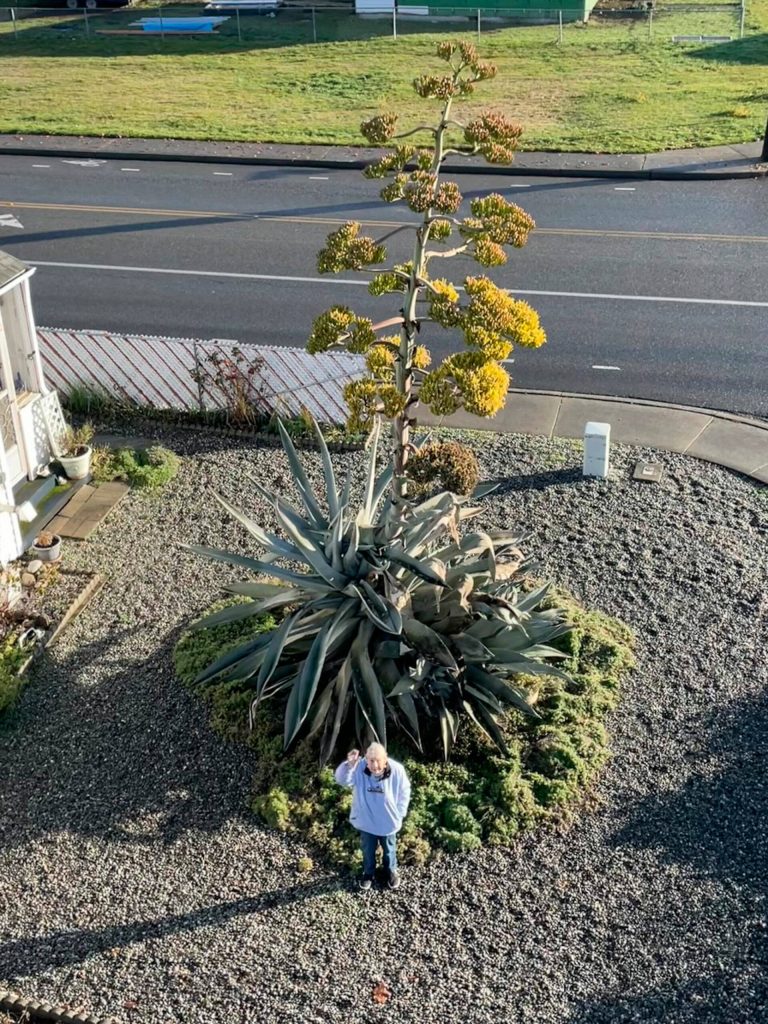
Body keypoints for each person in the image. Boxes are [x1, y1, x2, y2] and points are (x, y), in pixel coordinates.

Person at [334, 742, 411, 891]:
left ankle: (390, 871)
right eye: (371, 761)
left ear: (386, 759)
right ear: (366, 759)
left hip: (388, 821)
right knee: (368, 849)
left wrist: (400, 813)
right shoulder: (359, 767)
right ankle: (368, 873)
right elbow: (343, 781)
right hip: (367, 820)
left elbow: (404, 791)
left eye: (378, 761)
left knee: (389, 849)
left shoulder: (397, 770)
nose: (375, 766)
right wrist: (349, 765)